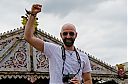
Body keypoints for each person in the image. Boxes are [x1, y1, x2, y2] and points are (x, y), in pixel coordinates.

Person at [24, 4, 92, 84]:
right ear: (61, 35)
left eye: (71, 33)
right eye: (65, 33)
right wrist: (33, 14)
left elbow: (88, 80)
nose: (68, 36)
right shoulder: (53, 50)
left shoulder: (83, 57)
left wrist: (80, 83)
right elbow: (28, 37)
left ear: (76, 35)